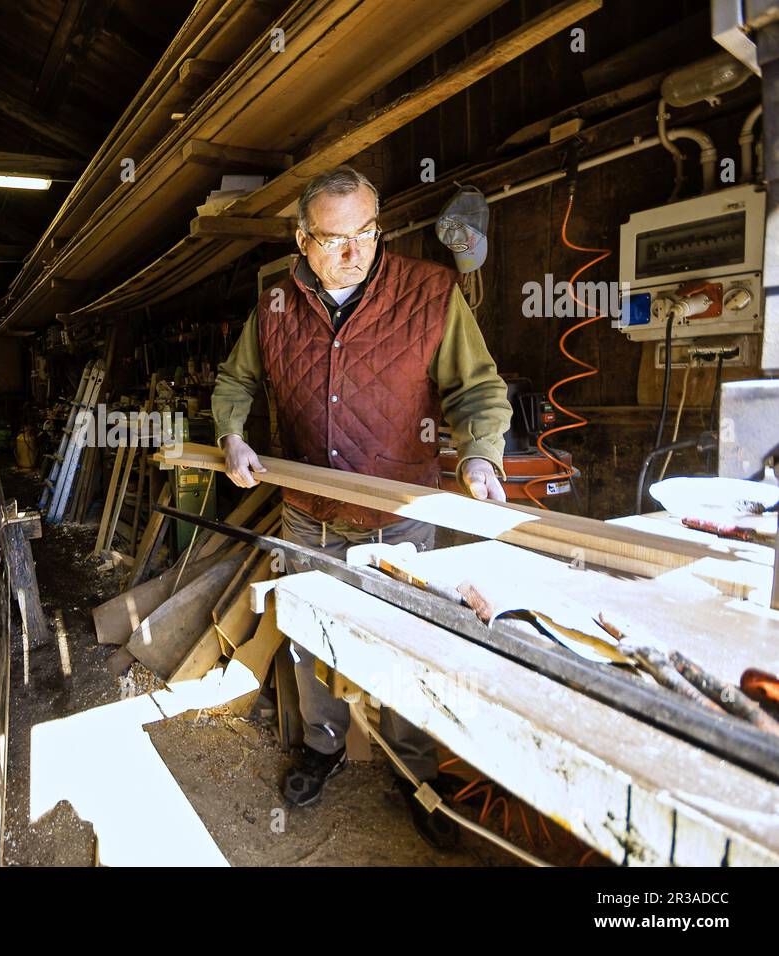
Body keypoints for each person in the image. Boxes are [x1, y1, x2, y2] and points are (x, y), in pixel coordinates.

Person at [211, 166, 512, 849]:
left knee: (405, 643)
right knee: (310, 635)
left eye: (368, 233)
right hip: (306, 510)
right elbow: (237, 377)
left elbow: (477, 389)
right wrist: (232, 433)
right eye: (336, 238)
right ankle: (322, 743)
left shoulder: (432, 292)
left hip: (398, 514)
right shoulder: (277, 305)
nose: (356, 252)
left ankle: (414, 767)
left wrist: (478, 455)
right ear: (303, 238)